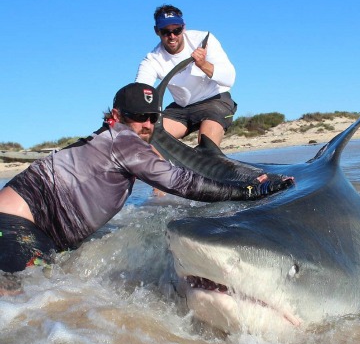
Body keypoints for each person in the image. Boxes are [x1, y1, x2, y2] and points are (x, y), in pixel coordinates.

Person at [0, 83, 293, 295]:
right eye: (139, 116)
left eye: (153, 117)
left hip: (34, 229)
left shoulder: (109, 140)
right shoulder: (123, 141)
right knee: (16, 299)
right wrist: (246, 191)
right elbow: (182, 183)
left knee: (39, 299)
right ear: (117, 115)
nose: (147, 125)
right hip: (17, 223)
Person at [135, 4, 236, 146]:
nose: (172, 36)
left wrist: (203, 64)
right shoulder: (152, 59)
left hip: (215, 100)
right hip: (182, 108)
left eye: (177, 30)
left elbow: (229, 78)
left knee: (207, 150)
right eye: (165, 31)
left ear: (184, 27)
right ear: (156, 31)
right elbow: (139, 91)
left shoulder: (203, 40)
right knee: (146, 139)